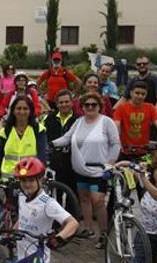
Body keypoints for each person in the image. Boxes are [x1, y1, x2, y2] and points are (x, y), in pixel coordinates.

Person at [52, 92, 121, 248]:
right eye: (86, 105)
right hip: (81, 169)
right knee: (84, 198)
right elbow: (67, 138)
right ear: (82, 107)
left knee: (98, 200)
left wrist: (110, 163)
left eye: (93, 105)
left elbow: (116, 144)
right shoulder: (78, 122)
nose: (90, 107)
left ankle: (103, 233)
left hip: (99, 170)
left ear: (99, 107)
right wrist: (52, 144)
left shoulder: (107, 122)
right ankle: (88, 228)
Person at [113, 80, 157, 161]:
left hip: (144, 152)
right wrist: (115, 143)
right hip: (125, 151)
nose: (140, 96)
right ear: (131, 93)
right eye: (137, 93)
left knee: (148, 172)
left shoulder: (150, 107)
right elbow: (116, 126)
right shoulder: (121, 108)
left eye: (143, 94)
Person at [0, 96, 48, 179]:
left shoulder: (38, 130)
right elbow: (0, 153)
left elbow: (42, 154)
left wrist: (41, 172)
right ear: (13, 111)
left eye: (25, 109)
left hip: (30, 179)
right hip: (8, 179)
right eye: (18, 108)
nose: (22, 111)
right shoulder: (7, 130)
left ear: (30, 111)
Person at [42, 90, 78, 198]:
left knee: (72, 197)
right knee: (54, 196)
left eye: (67, 102)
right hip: (54, 162)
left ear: (72, 102)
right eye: (61, 102)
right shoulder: (48, 119)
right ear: (57, 104)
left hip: (72, 163)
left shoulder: (78, 120)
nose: (64, 105)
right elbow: (42, 137)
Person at [118, 55, 157, 125]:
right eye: (139, 64)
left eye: (144, 63)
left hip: (152, 121)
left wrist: (152, 116)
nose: (141, 65)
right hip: (136, 118)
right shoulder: (133, 80)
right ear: (136, 66)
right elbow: (123, 99)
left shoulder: (156, 79)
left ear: (149, 65)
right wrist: (112, 111)